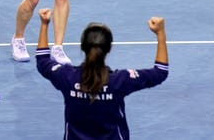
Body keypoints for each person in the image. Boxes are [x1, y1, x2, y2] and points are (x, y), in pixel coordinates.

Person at [36, 8, 169, 139]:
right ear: (109, 49)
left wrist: (44, 24)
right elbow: (160, 72)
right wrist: (160, 34)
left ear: (82, 47)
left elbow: (43, 61)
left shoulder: (67, 77)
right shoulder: (120, 81)